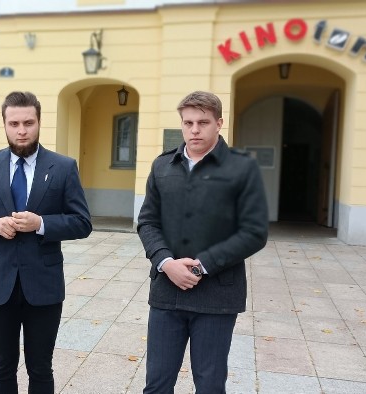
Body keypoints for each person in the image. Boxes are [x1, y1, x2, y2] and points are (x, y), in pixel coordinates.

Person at [0, 91, 92, 393]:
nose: (21, 130)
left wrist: (41, 223)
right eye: (14, 123)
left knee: (41, 366)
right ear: (3, 124)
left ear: (39, 122)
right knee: (2, 365)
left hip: (43, 285)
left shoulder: (64, 167)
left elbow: (82, 222)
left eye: (28, 123)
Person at [137, 91, 268, 393]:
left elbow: (254, 232)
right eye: (188, 122)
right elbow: (147, 222)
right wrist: (166, 263)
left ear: (219, 123)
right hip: (166, 291)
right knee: (156, 384)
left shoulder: (241, 168)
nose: (194, 130)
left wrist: (201, 267)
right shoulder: (162, 167)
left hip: (217, 298)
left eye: (203, 122)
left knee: (209, 385)